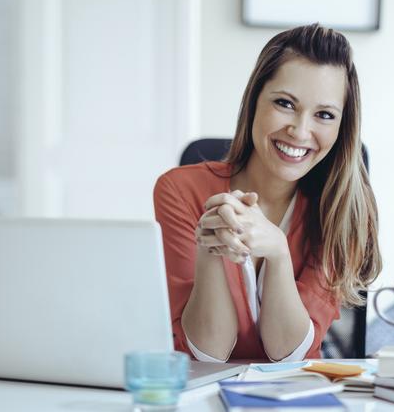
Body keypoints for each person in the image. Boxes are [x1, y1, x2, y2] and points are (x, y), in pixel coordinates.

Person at [153, 23, 381, 362]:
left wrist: (278, 252)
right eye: (285, 103)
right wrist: (210, 245)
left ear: (341, 127)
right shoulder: (180, 190)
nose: (300, 130)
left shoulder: (345, 211)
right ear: (254, 101)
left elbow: (288, 354)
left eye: (324, 114)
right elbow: (208, 353)